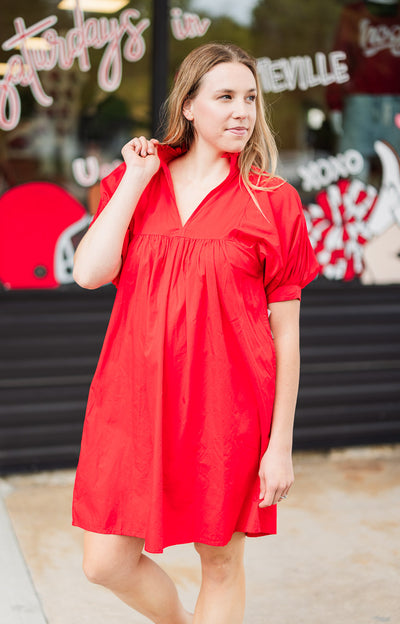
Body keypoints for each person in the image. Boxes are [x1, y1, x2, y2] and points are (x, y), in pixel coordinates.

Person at [71, 42, 319, 624]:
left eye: (251, 99)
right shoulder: (138, 181)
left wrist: (279, 442)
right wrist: (136, 179)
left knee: (222, 562)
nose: (242, 111)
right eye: (225, 97)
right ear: (188, 105)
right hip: (133, 400)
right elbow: (88, 273)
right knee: (104, 561)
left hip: (227, 409)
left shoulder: (272, 201)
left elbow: (286, 334)